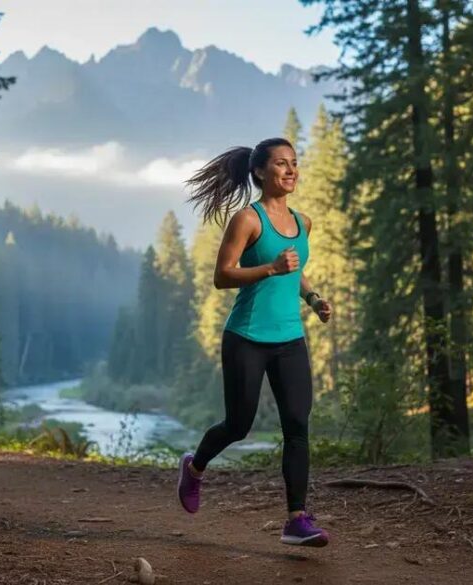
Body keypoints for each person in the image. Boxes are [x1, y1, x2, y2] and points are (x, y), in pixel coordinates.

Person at [176, 137, 334, 547]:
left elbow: (294, 271)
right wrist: (268, 267)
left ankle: (296, 519)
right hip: (246, 336)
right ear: (261, 171)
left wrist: (313, 298)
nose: (290, 170)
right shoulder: (248, 219)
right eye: (281, 163)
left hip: (290, 340)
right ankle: (194, 468)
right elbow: (222, 275)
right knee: (239, 425)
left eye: (294, 163)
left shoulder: (304, 223)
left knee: (297, 427)